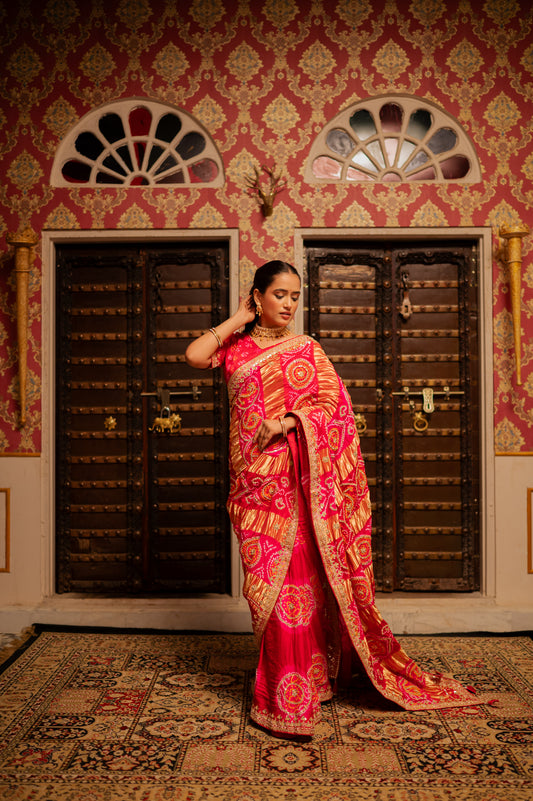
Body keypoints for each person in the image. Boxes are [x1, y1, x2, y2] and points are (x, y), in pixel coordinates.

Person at [185, 259, 483, 738]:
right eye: (279, 294)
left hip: (298, 483)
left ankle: (294, 696)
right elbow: (194, 356)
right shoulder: (237, 349)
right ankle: (300, 681)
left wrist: (285, 423)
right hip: (253, 487)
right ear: (258, 296)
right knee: (267, 589)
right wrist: (239, 320)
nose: (288, 304)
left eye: (295, 296)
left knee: (295, 589)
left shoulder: (308, 350)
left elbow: (331, 408)